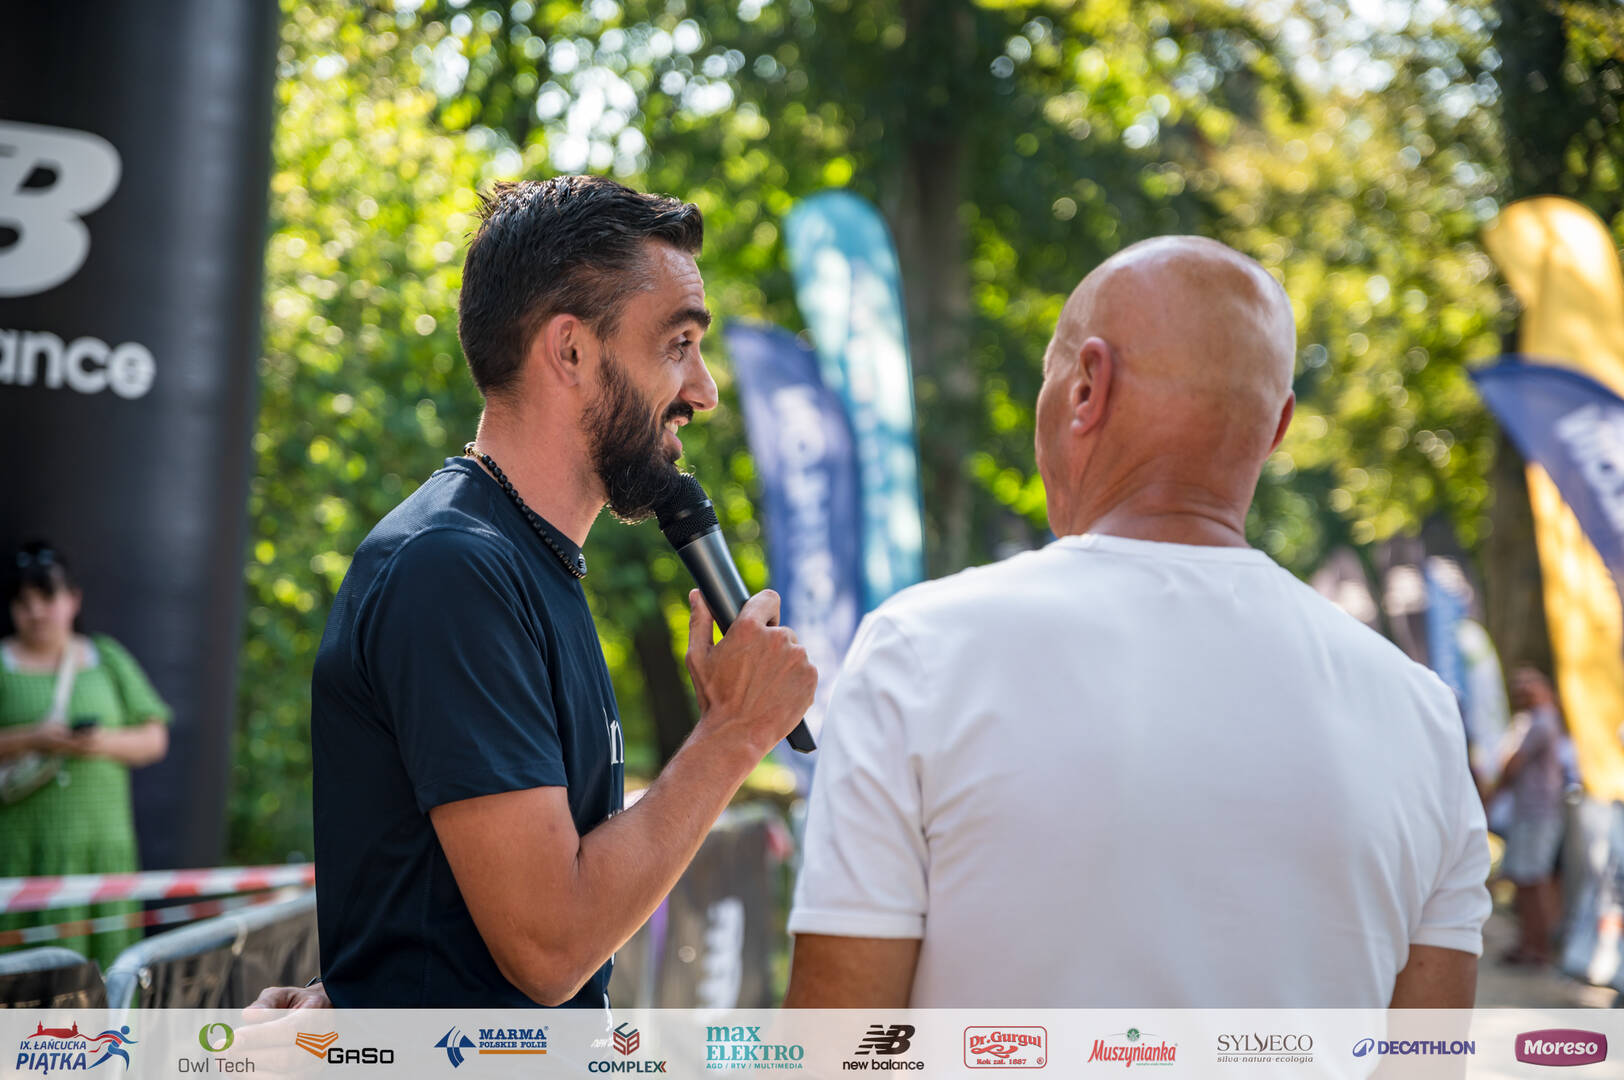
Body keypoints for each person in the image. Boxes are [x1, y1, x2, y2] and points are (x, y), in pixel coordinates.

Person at [783, 236, 1491, 1008]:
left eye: (1050, 375)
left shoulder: (919, 653)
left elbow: (839, 1047)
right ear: (1278, 427)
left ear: (1087, 386)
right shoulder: (1420, 717)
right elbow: (1425, 1056)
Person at [252, 176, 816, 1010]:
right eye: (678, 344)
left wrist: (358, 997)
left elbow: (439, 902)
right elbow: (550, 948)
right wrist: (732, 735)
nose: (704, 391)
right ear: (571, 351)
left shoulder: (525, 561)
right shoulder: (453, 569)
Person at [0, 541, 170, 970]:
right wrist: (32, 739)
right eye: (23, 602)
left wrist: (97, 742)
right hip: (23, 852)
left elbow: (154, 738)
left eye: (47, 598)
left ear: (73, 599)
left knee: (105, 972)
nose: (36, 612)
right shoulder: (3, 663)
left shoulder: (106, 657)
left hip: (101, 850)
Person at [1495, 665, 1566, 966]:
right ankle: (1529, 944)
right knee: (1525, 880)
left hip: (1539, 813)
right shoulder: (1533, 721)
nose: (1522, 689)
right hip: (1530, 811)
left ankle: (1539, 948)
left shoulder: (1542, 722)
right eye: (1518, 683)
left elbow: (1512, 764)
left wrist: (1491, 794)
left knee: (1534, 881)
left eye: (1528, 683)